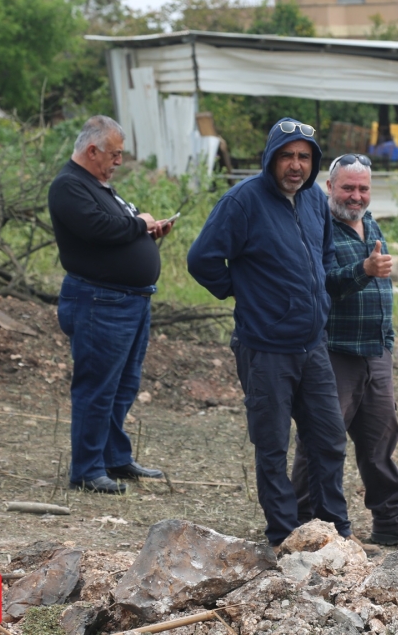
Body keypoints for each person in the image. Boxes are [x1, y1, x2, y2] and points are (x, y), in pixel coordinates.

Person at [187, 118, 355, 551]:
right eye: (287, 156)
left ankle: (334, 533)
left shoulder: (314, 199)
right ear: (270, 158)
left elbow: (324, 253)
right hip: (265, 348)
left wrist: (319, 297)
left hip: (312, 345)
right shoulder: (243, 201)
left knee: (329, 439)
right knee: (272, 447)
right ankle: (284, 536)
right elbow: (202, 259)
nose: (296, 165)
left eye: (304, 157)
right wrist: (245, 292)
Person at [290, 154, 398, 549]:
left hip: (376, 352)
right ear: (329, 187)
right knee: (322, 439)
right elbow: (320, 283)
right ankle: (301, 522)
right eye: (348, 188)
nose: (356, 196)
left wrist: (387, 342)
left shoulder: (369, 222)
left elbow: (380, 284)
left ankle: (391, 520)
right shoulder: (317, 226)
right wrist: (364, 271)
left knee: (381, 439)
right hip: (335, 351)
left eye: (363, 188)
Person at [49, 115, 172, 494]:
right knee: (97, 387)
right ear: (92, 150)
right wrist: (140, 224)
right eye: (115, 154)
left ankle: (114, 457)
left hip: (129, 301)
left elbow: (116, 231)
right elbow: (98, 229)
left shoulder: (99, 186)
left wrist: (148, 231)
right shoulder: (68, 186)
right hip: (99, 302)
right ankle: (87, 470)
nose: (119, 161)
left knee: (124, 384)